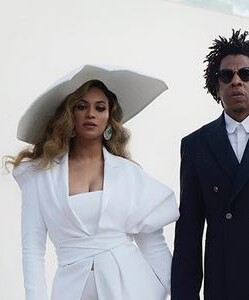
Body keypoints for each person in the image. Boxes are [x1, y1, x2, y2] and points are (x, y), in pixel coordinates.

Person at [9, 65, 179, 300]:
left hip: (132, 290)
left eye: (100, 108)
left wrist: (182, 293)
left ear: (109, 118)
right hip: (71, 291)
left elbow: (154, 246)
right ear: (69, 115)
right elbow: (32, 251)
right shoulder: (40, 176)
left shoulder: (129, 175)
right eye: (82, 106)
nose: (91, 114)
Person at [171, 29, 249, 300]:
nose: (236, 81)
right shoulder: (195, 145)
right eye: (226, 76)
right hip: (225, 287)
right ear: (216, 88)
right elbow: (189, 235)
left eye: (245, 74)